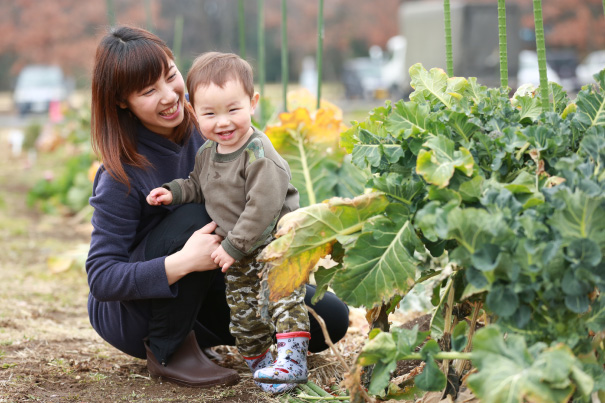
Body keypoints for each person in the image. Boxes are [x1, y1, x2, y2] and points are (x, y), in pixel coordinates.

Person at [86, 25, 350, 391]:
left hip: (216, 274)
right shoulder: (121, 173)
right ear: (121, 101)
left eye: (170, 76)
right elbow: (101, 278)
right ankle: (169, 350)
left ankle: (220, 339)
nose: (169, 96)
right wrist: (184, 262)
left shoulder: (211, 126)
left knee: (329, 320)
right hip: (138, 313)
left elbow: (262, 186)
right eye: (149, 91)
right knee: (196, 215)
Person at [146, 52, 311, 393]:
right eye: (210, 113)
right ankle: (262, 363)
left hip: (274, 242)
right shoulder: (208, 152)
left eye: (232, 110)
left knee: (283, 298)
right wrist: (173, 193)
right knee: (243, 310)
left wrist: (233, 245)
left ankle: (292, 360)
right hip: (236, 249)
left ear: (252, 103)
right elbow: (197, 185)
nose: (222, 122)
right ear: (194, 112)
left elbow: (262, 208)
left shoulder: (259, 154)